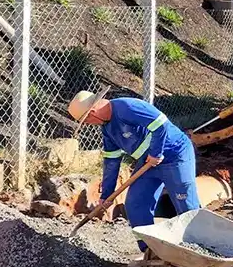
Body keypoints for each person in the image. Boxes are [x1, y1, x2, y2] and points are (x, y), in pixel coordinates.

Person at [67, 92, 200, 250]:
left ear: (92, 113)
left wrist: (156, 153)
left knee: (185, 202)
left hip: (175, 155)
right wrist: (107, 195)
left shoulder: (127, 107)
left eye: (86, 121)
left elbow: (160, 124)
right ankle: (150, 250)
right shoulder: (107, 129)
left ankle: (197, 248)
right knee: (135, 205)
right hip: (148, 163)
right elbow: (111, 161)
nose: (89, 125)